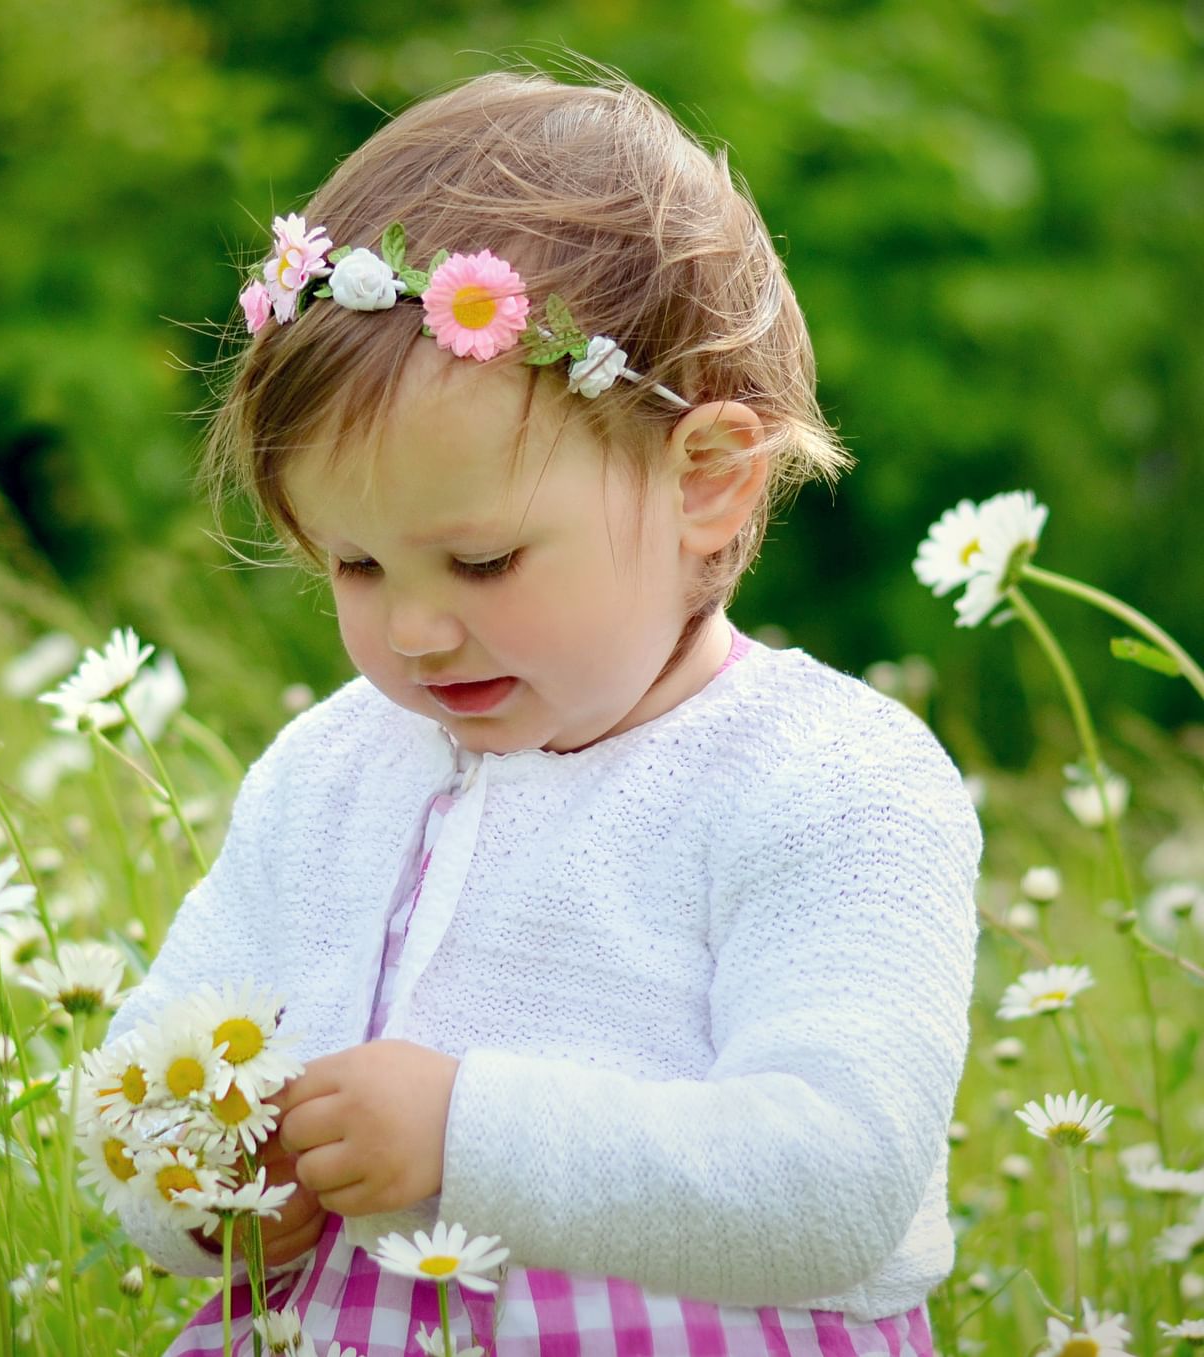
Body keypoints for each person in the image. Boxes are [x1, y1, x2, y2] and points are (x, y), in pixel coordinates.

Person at [97, 62, 984, 1357]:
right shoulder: (329, 768)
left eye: (485, 562)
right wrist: (213, 1186)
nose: (412, 629)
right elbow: (150, 1063)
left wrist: (468, 1131)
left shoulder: (827, 775)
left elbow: (839, 1175)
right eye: (355, 565)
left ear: (709, 483)